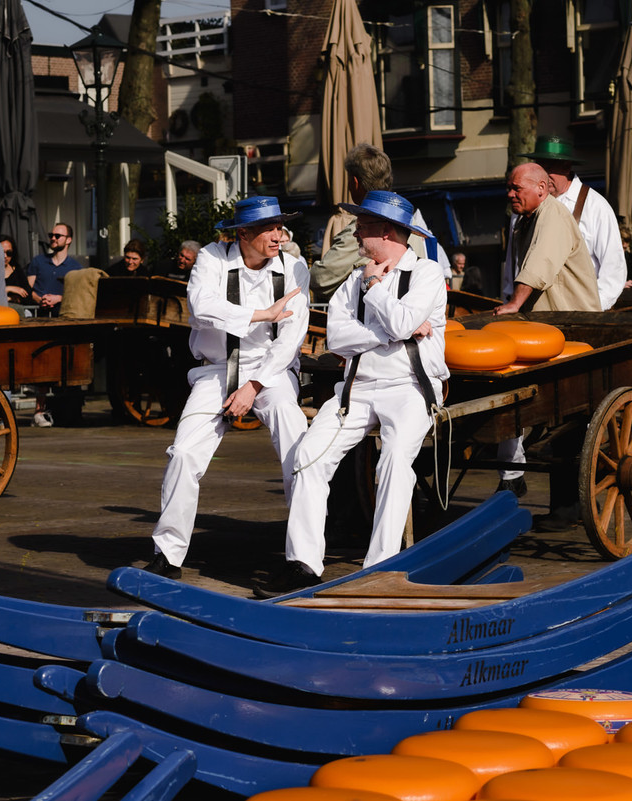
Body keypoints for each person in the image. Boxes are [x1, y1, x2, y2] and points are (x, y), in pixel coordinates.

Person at [256, 190, 448, 597]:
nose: (355, 232)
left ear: (388, 231)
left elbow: (401, 322)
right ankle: (304, 565)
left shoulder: (427, 274)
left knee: (395, 464)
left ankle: (378, 569)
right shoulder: (351, 281)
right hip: (356, 390)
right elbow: (338, 337)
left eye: (362, 226)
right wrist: (388, 332)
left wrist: (378, 288)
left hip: (410, 388)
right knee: (308, 458)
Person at [144, 197, 310, 580]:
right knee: (184, 453)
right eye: (269, 228)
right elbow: (201, 307)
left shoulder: (294, 267)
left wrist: (253, 385)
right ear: (244, 234)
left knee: (298, 448)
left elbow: (291, 337)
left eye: (280, 226)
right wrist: (260, 314)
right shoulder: (212, 258)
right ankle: (167, 556)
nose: (278, 235)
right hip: (216, 369)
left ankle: (302, 558)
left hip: (271, 370)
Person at [491, 163, 601, 501]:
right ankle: (513, 472)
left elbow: (539, 264)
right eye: (508, 187)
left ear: (542, 187)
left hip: (572, 326)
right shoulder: (527, 219)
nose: (510, 193)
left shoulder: (551, 215)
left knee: (525, 389)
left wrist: (514, 303)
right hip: (548, 325)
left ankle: (521, 478)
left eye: (516, 187)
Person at [512, 135, 628, 309]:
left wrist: (591, 308)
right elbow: (513, 264)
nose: (542, 174)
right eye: (539, 166)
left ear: (567, 167)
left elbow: (614, 270)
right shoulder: (523, 207)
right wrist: (510, 299)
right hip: (535, 316)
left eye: (548, 167)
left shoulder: (595, 207)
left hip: (578, 317)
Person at [310, 143, 431, 303]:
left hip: (374, 314)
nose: (356, 233)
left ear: (355, 182)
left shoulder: (365, 228)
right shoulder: (409, 220)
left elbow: (321, 279)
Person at [27, 222, 84, 315]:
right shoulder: (38, 261)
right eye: (51, 235)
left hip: (62, 316)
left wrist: (58, 298)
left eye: (57, 236)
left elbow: (78, 295)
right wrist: (39, 300)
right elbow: (28, 289)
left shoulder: (76, 268)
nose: (53, 238)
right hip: (36, 314)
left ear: (68, 240)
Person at [0, 236, 32, 305]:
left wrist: (9, 298)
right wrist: (9, 289)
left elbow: (28, 296)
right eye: (1, 252)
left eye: (9, 253)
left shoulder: (17, 270)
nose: (5, 256)